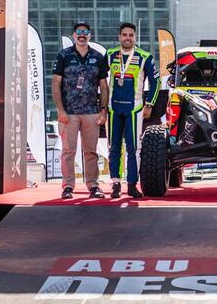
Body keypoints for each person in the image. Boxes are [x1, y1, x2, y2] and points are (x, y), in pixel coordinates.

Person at [51, 22, 109, 199]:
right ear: (74, 35)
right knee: (68, 152)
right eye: (79, 32)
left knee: (90, 151)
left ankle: (93, 186)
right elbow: (55, 84)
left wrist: (103, 110)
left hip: (91, 112)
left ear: (89, 35)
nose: (82, 35)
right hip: (69, 113)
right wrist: (60, 110)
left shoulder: (98, 57)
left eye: (85, 32)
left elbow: (104, 86)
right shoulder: (64, 55)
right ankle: (68, 186)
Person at [106, 22, 160, 199]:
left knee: (133, 148)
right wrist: (101, 105)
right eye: (124, 35)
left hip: (134, 109)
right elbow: (98, 77)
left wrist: (149, 104)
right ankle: (115, 184)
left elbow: (155, 82)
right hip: (113, 110)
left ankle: (131, 184)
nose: (127, 38)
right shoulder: (110, 55)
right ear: (119, 37)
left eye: (131, 35)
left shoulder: (145, 56)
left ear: (135, 37)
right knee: (113, 148)